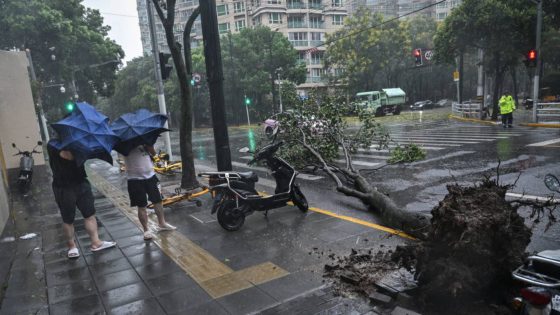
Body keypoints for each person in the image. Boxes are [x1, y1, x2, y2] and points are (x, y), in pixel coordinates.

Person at [47, 140, 116, 259]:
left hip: (81, 183)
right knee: (68, 219)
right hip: (63, 187)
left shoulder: (79, 143)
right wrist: (81, 150)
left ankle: (96, 242)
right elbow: (67, 156)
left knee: (89, 214)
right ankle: (72, 247)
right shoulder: (54, 144)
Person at [123, 145, 175, 241]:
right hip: (134, 179)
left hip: (151, 176)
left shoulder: (145, 138)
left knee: (158, 200)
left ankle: (162, 223)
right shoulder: (124, 143)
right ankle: (146, 230)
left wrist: (149, 147)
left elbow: (153, 153)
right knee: (141, 205)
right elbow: (124, 152)